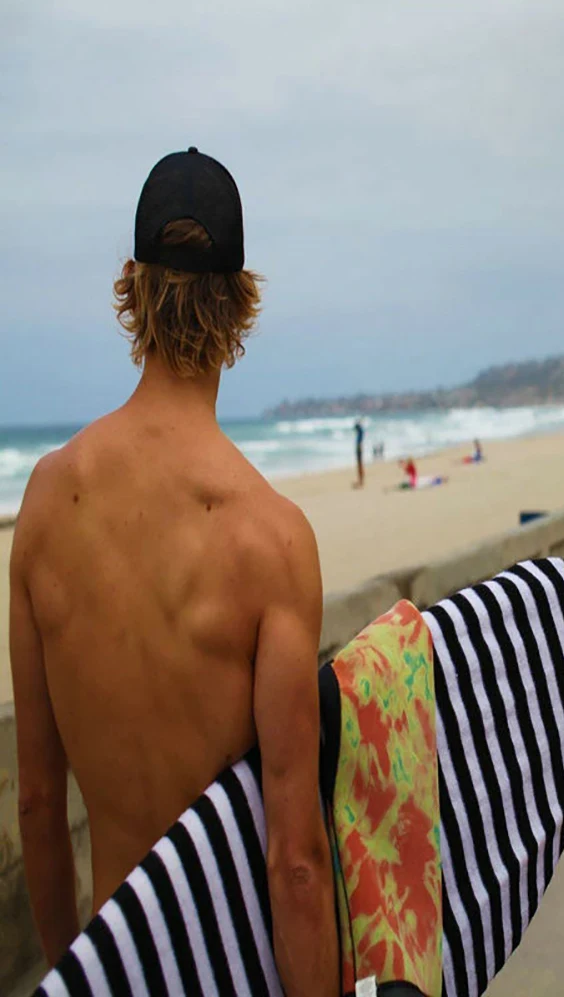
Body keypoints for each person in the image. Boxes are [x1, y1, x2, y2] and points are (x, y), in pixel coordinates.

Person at [9, 148, 338, 991]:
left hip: (112, 969)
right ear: (241, 301)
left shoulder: (45, 504)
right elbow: (295, 860)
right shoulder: (273, 541)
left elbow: (38, 802)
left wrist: (74, 973)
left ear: (131, 286)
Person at [353, 418, 365, 487]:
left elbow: (355, 427)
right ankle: (360, 480)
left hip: (359, 448)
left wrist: (359, 423)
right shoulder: (360, 431)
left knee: (359, 465)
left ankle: (361, 480)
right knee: (360, 465)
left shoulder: (360, 430)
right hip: (359, 447)